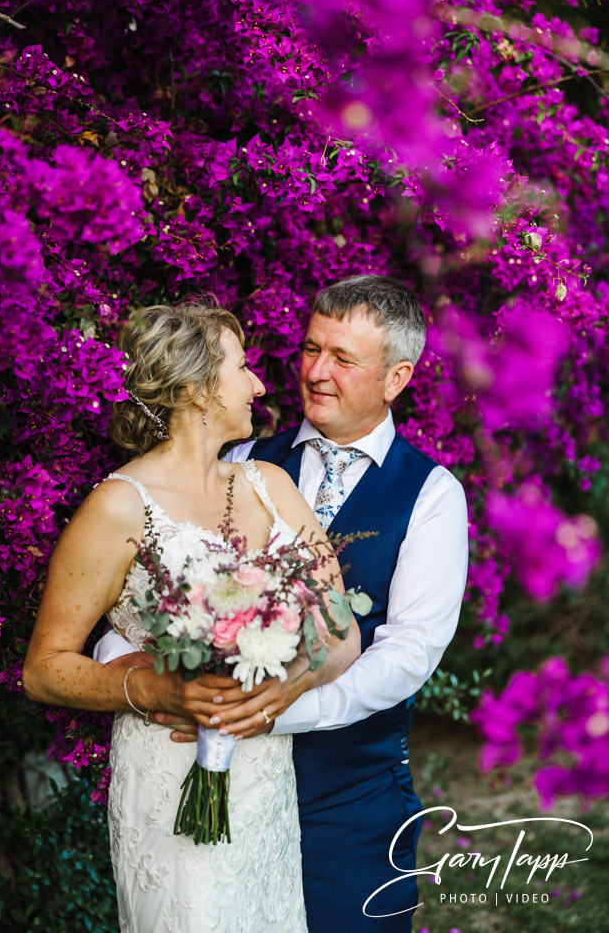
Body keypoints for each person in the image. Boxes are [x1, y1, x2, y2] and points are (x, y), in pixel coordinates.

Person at [99, 275, 469, 931]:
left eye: (344, 359)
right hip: (227, 793)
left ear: (396, 377)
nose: (316, 372)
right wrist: (153, 670)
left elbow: (410, 652)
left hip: (351, 802)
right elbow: (149, 594)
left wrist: (281, 711)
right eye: (310, 349)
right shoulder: (242, 462)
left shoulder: (432, 495)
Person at [22, 302, 361, 933]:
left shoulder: (270, 485)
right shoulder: (120, 507)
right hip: (167, 768)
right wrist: (146, 686)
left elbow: (343, 630)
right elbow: (43, 669)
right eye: (242, 366)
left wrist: (282, 689)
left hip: (264, 772)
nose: (260, 384)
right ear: (198, 389)